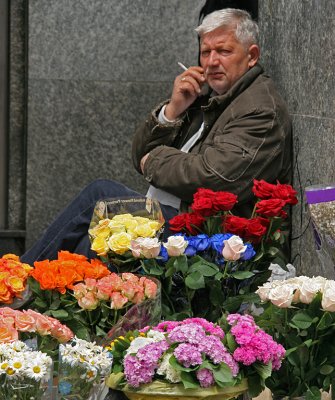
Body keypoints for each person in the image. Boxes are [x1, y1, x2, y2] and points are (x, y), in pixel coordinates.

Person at [22, 8, 292, 265]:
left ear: (252, 55)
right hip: (172, 214)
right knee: (86, 242)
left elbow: (214, 177)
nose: (212, 62)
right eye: (206, 52)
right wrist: (173, 111)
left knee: (100, 194)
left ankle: (19, 281)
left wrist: (154, 161)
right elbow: (137, 154)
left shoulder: (259, 107)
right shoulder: (208, 96)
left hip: (205, 232)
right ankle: (32, 301)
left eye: (224, 51)